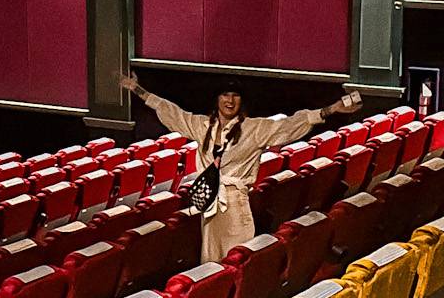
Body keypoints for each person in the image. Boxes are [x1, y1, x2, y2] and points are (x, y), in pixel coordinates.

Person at [121, 73, 362, 261]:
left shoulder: (254, 128)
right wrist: (138, 90)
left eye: (235, 96)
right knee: (210, 261)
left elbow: (292, 124)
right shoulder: (202, 125)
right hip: (210, 205)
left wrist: (331, 110)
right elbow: (170, 111)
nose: (230, 100)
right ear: (217, 99)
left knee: (236, 258)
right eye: (225, 95)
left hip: (235, 205)